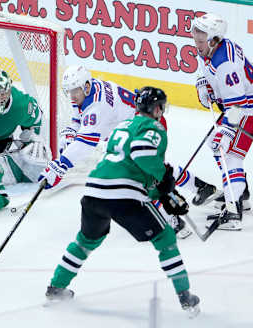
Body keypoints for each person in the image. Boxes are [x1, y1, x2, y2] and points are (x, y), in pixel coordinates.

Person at [44, 87, 200, 316]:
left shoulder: (121, 126)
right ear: (156, 109)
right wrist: (163, 177)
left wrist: (162, 194)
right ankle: (186, 297)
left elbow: (129, 167)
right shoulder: (154, 127)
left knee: (86, 240)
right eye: (161, 107)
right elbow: (141, 153)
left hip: (94, 191)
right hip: (124, 196)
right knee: (165, 237)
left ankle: (56, 286)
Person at [37, 65, 214, 237]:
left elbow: (84, 144)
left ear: (86, 86)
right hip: (133, 130)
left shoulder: (97, 106)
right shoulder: (87, 91)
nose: (72, 96)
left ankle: (173, 220)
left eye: (75, 90)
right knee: (154, 171)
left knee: (141, 178)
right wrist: (72, 130)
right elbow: (79, 117)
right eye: (70, 91)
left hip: (146, 128)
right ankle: (199, 186)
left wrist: (60, 166)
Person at [192, 13, 253, 231]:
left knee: (229, 154)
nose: (196, 43)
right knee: (214, 143)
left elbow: (238, 103)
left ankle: (233, 212)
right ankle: (239, 193)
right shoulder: (211, 48)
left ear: (214, 39)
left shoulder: (226, 63)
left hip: (246, 110)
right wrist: (202, 83)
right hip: (237, 108)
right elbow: (205, 68)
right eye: (195, 38)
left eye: (201, 40)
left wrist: (228, 132)